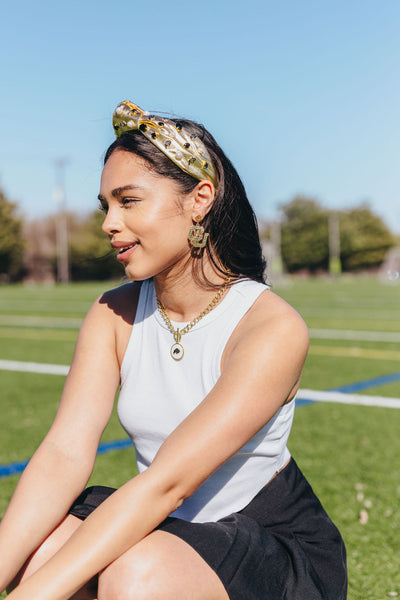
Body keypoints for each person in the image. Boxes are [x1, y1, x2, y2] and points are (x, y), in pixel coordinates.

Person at [0, 100, 347, 600]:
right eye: (106, 206)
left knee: (137, 574)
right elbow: (63, 451)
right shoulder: (111, 313)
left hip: (270, 545)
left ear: (200, 199)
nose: (108, 224)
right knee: (40, 548)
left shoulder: (271, 326)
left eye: (129, 201)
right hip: (169, 525)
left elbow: (169, 483)